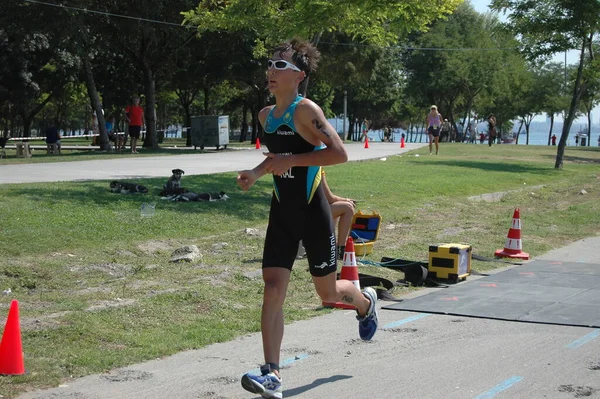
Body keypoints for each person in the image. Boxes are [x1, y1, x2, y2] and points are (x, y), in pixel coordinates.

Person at [237, 38, 378, 399]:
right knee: (272, 290)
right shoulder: (265, 115)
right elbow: (277, 156)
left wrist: (293, 162)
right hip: (282, 212)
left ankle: (364, 303)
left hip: (313, 214)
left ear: (299, 75)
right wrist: (255, 173)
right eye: (270, 63)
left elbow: (340, 153)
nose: (271, 69)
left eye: (280, 65)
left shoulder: (306, 110)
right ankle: (272, 374)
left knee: (328, 293)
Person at [321, 169, 356, 260]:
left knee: (337, 207)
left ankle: (329, 245)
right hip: (308, 214)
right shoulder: (316, 168)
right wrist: (346, 200)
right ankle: (341, 250)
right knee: (348, 208)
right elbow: (329, 198)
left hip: (293, 211)